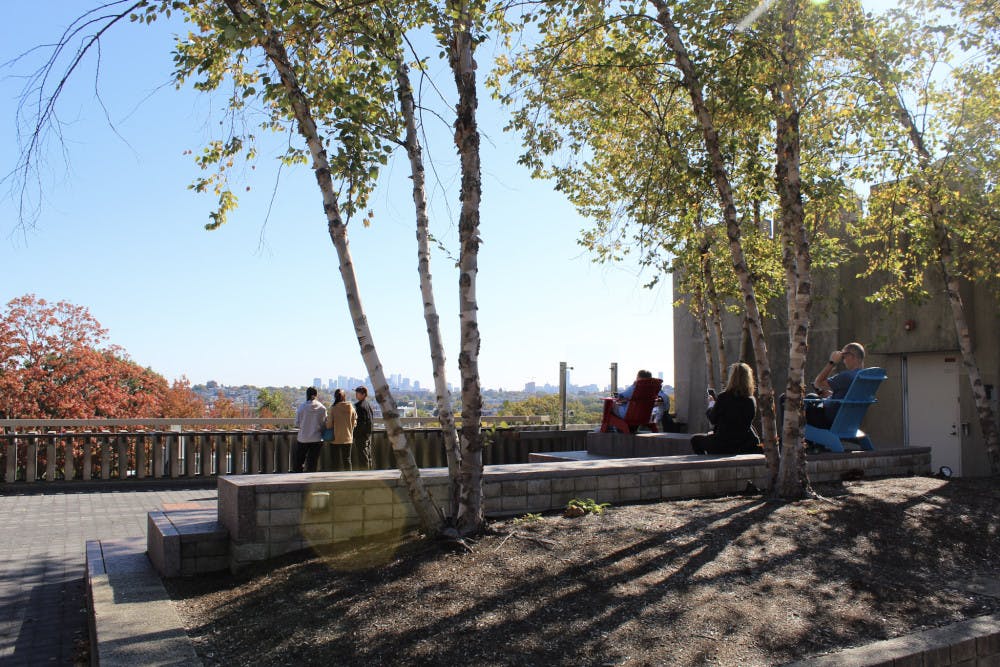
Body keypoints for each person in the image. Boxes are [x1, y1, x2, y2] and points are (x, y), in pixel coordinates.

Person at [690, 362, 761, 455]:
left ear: (731, 378)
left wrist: (711, 404)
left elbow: (712, 419)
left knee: (695, 440)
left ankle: (707, 462)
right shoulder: (751, 400)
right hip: (743, 445)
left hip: (722, 445)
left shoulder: (724, 397)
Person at [807, 342, 866, 428]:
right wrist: (832, 395)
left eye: (843, 356)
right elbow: (850, 397)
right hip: (849, 420)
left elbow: (818, 382)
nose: (843, 361)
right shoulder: (864, 376)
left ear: (851, 356)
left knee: (809, 399)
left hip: (829, 420)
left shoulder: (847, 376)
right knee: (814, 396)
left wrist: (832, 362)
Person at [293, 387, 327, 473]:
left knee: (299, 461)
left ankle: (298, 479)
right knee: (313, 462)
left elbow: (297, 423)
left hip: (303, 438)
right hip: (316, 438)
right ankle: (311, 481)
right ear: (316, 395)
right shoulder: (322, 408)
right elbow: (324, 423)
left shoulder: (302, 407)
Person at [325, 388, 358, 471]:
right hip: (348, 438)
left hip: (335, 438)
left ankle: (335, 480)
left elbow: (329, 425)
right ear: (344, 397)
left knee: (335, 461)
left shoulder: (333, 409)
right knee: (347, 460)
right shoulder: (351, 408)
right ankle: (348, 479)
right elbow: (355, 423)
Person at [353, 386, 375, 470]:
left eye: (357, 393)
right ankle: (369, 472)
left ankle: (364, 474)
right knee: (368, 455)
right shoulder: (368, 405)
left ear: (363, 394)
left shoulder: (360, 407)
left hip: (361, 435)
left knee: (363, 456)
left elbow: (361, 423)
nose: (356, 394)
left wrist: (356, 433)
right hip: (368, 434)